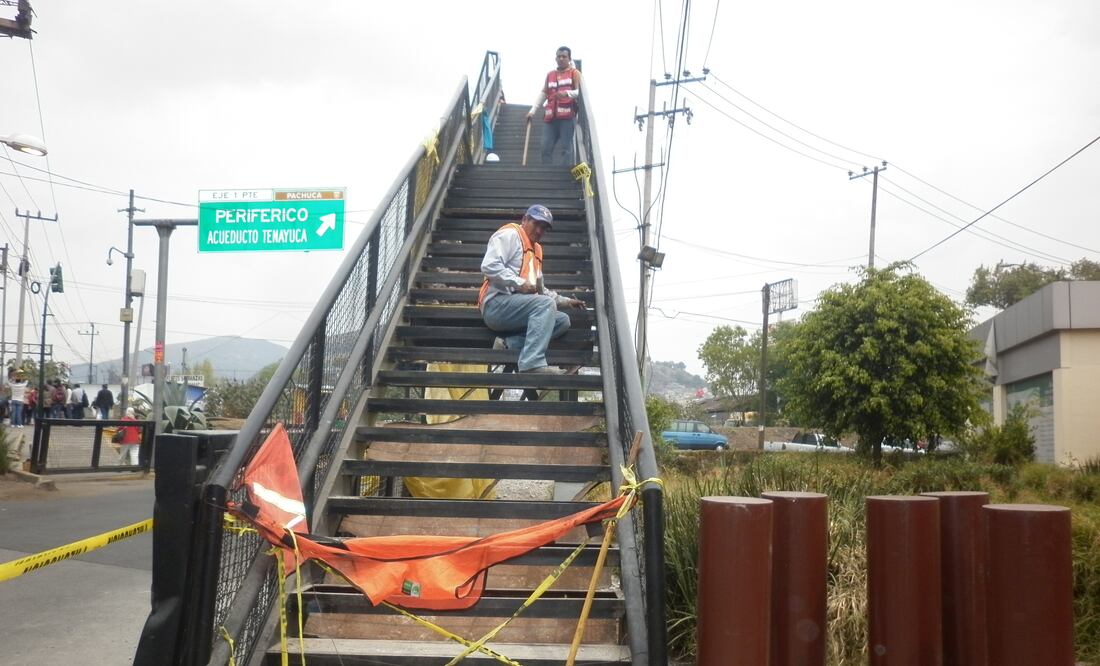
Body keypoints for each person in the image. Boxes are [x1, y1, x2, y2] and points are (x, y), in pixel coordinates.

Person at [478, 204, 585, 374]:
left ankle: (507, 344)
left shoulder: (536, 250)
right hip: (496, 305)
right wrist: (518, 283)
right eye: (536, 224)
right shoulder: (511, 234)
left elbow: (539, 289)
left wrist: (566, 301)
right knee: (545, 305)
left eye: (544, 228)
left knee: (562, 321)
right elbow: (489, 265)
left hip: (518, 309)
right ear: (524, 219)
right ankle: (532, 364)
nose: (539, 231)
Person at [527, 46, 581, 166]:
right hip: (550, 117)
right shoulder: (550, 75)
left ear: (569, 59)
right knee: (545, 147)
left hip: (567, 116)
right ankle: (547, 173)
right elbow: (544, 93)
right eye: (559, 56)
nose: (561, 59)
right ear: (555, 58)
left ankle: (565, 176)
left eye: (564, 57)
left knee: (566, 148)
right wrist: (532, 110)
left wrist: (567, 93)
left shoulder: (574, 73)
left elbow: (579, 93)